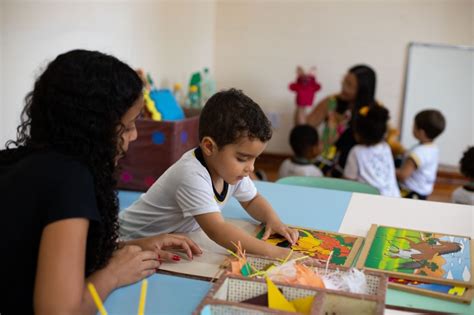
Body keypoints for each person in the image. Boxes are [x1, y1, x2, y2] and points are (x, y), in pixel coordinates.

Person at [0, 50, 201, 315]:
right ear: (95, 128)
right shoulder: (69, 179)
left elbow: (38, 253)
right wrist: (112, 274)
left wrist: (132, 246)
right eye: (128, 126)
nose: (135, 135)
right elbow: (57, 312)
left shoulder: (27, 162)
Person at [119, 89, 299, 258]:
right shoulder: (190, 174)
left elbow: (252, 200)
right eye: (243, 158)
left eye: (255, 159)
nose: (250, 168)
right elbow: (217, 230)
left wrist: (273, 220)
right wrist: (277, 254)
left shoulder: (229, 169)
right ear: (209, 146)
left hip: (167, 237)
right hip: (127, 239)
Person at [295, 65, 380, 177]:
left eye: (349, 85)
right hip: (325, 162)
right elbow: (303, 130)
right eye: (344, 81)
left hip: (357, 169)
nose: (344, 87)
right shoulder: (331, 102)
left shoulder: (372, 111)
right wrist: (302, 102)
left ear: (362, 90)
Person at [343, 105, 400, 197]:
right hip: (394, 198)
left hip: (371, 202)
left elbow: (349, 182)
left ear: (358, 133)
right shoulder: (386, 147)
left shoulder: (356, 151)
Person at [397, 109, 446, 200]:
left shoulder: (418, 154)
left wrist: (388, 169)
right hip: (423, 191)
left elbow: (403, 175)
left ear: (421, 132)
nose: (412, 126)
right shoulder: (432, 148)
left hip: (410, 192)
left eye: (414, 125)